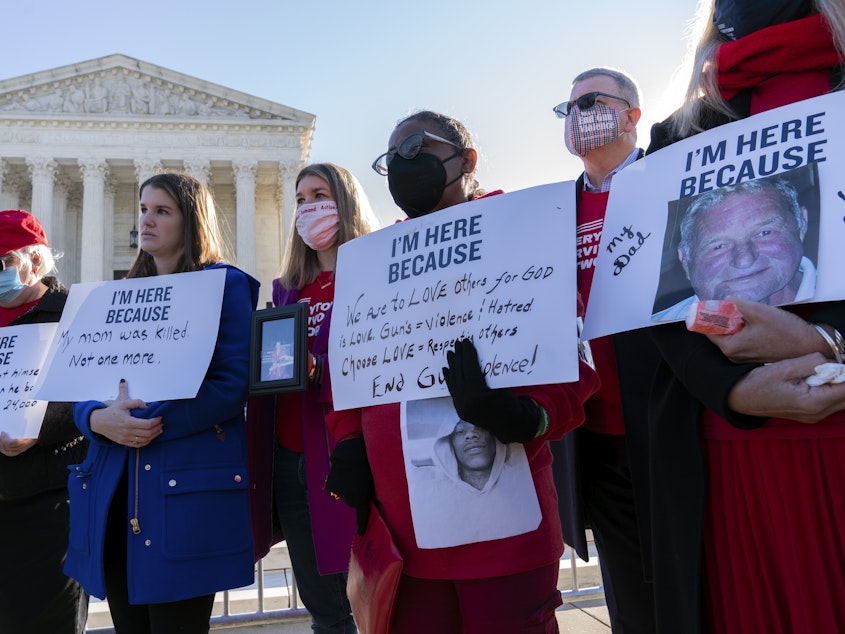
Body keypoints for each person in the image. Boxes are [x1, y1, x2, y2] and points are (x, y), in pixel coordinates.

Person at [325, 110, 601, 633]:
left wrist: (529, 416)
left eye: (419, 150)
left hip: (503, 539)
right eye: (394, 159)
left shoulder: (525, 234)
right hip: (405, 541)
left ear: (466, 160)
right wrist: (349, 441)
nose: (406, 165)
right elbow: (350, 373)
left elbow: (574, 359)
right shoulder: (373, 263)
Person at [646, 1, 845, 632]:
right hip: (734, 461)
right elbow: (657, 298)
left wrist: (827, 341)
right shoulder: (679, 132)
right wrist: (733, 389)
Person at [66, 173, 259, 634]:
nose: (146, 222)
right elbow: (79, 381)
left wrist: (150, 425)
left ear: (191, 220)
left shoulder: (224, 286)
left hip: (181, 497)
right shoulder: (116, 295)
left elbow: (232, 385)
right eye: (144, 209)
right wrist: (95, 419)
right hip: (113, 494)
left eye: (162, 211)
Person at [247, 163, 377, 633]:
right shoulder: (287, 290)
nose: (308, 208)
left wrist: (320, 370)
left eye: (319, 194)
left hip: (349, 451)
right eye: (300, 199)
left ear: (345, 202)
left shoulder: (374, 275)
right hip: (291, 457)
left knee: (372, 593)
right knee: (324, 605)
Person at [550, 68, 658, 634]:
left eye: (591, 102)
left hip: (673, 425)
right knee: (632, 604)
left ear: (633, 115)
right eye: (567, 108)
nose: (577, 116)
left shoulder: (672, 180)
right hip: (598, 440)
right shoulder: (548, 215)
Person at [0, 209, 89, 634]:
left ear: (35, 262)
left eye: (3, 262)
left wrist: (35, 427)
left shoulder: (73, 313)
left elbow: (88, 392)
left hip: (51, 502)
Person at [652, 175, 815, 321]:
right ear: (685, 261)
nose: (744, 260)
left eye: (764, 233)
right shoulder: (655, 332)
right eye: (719, 246)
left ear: (802, 224)